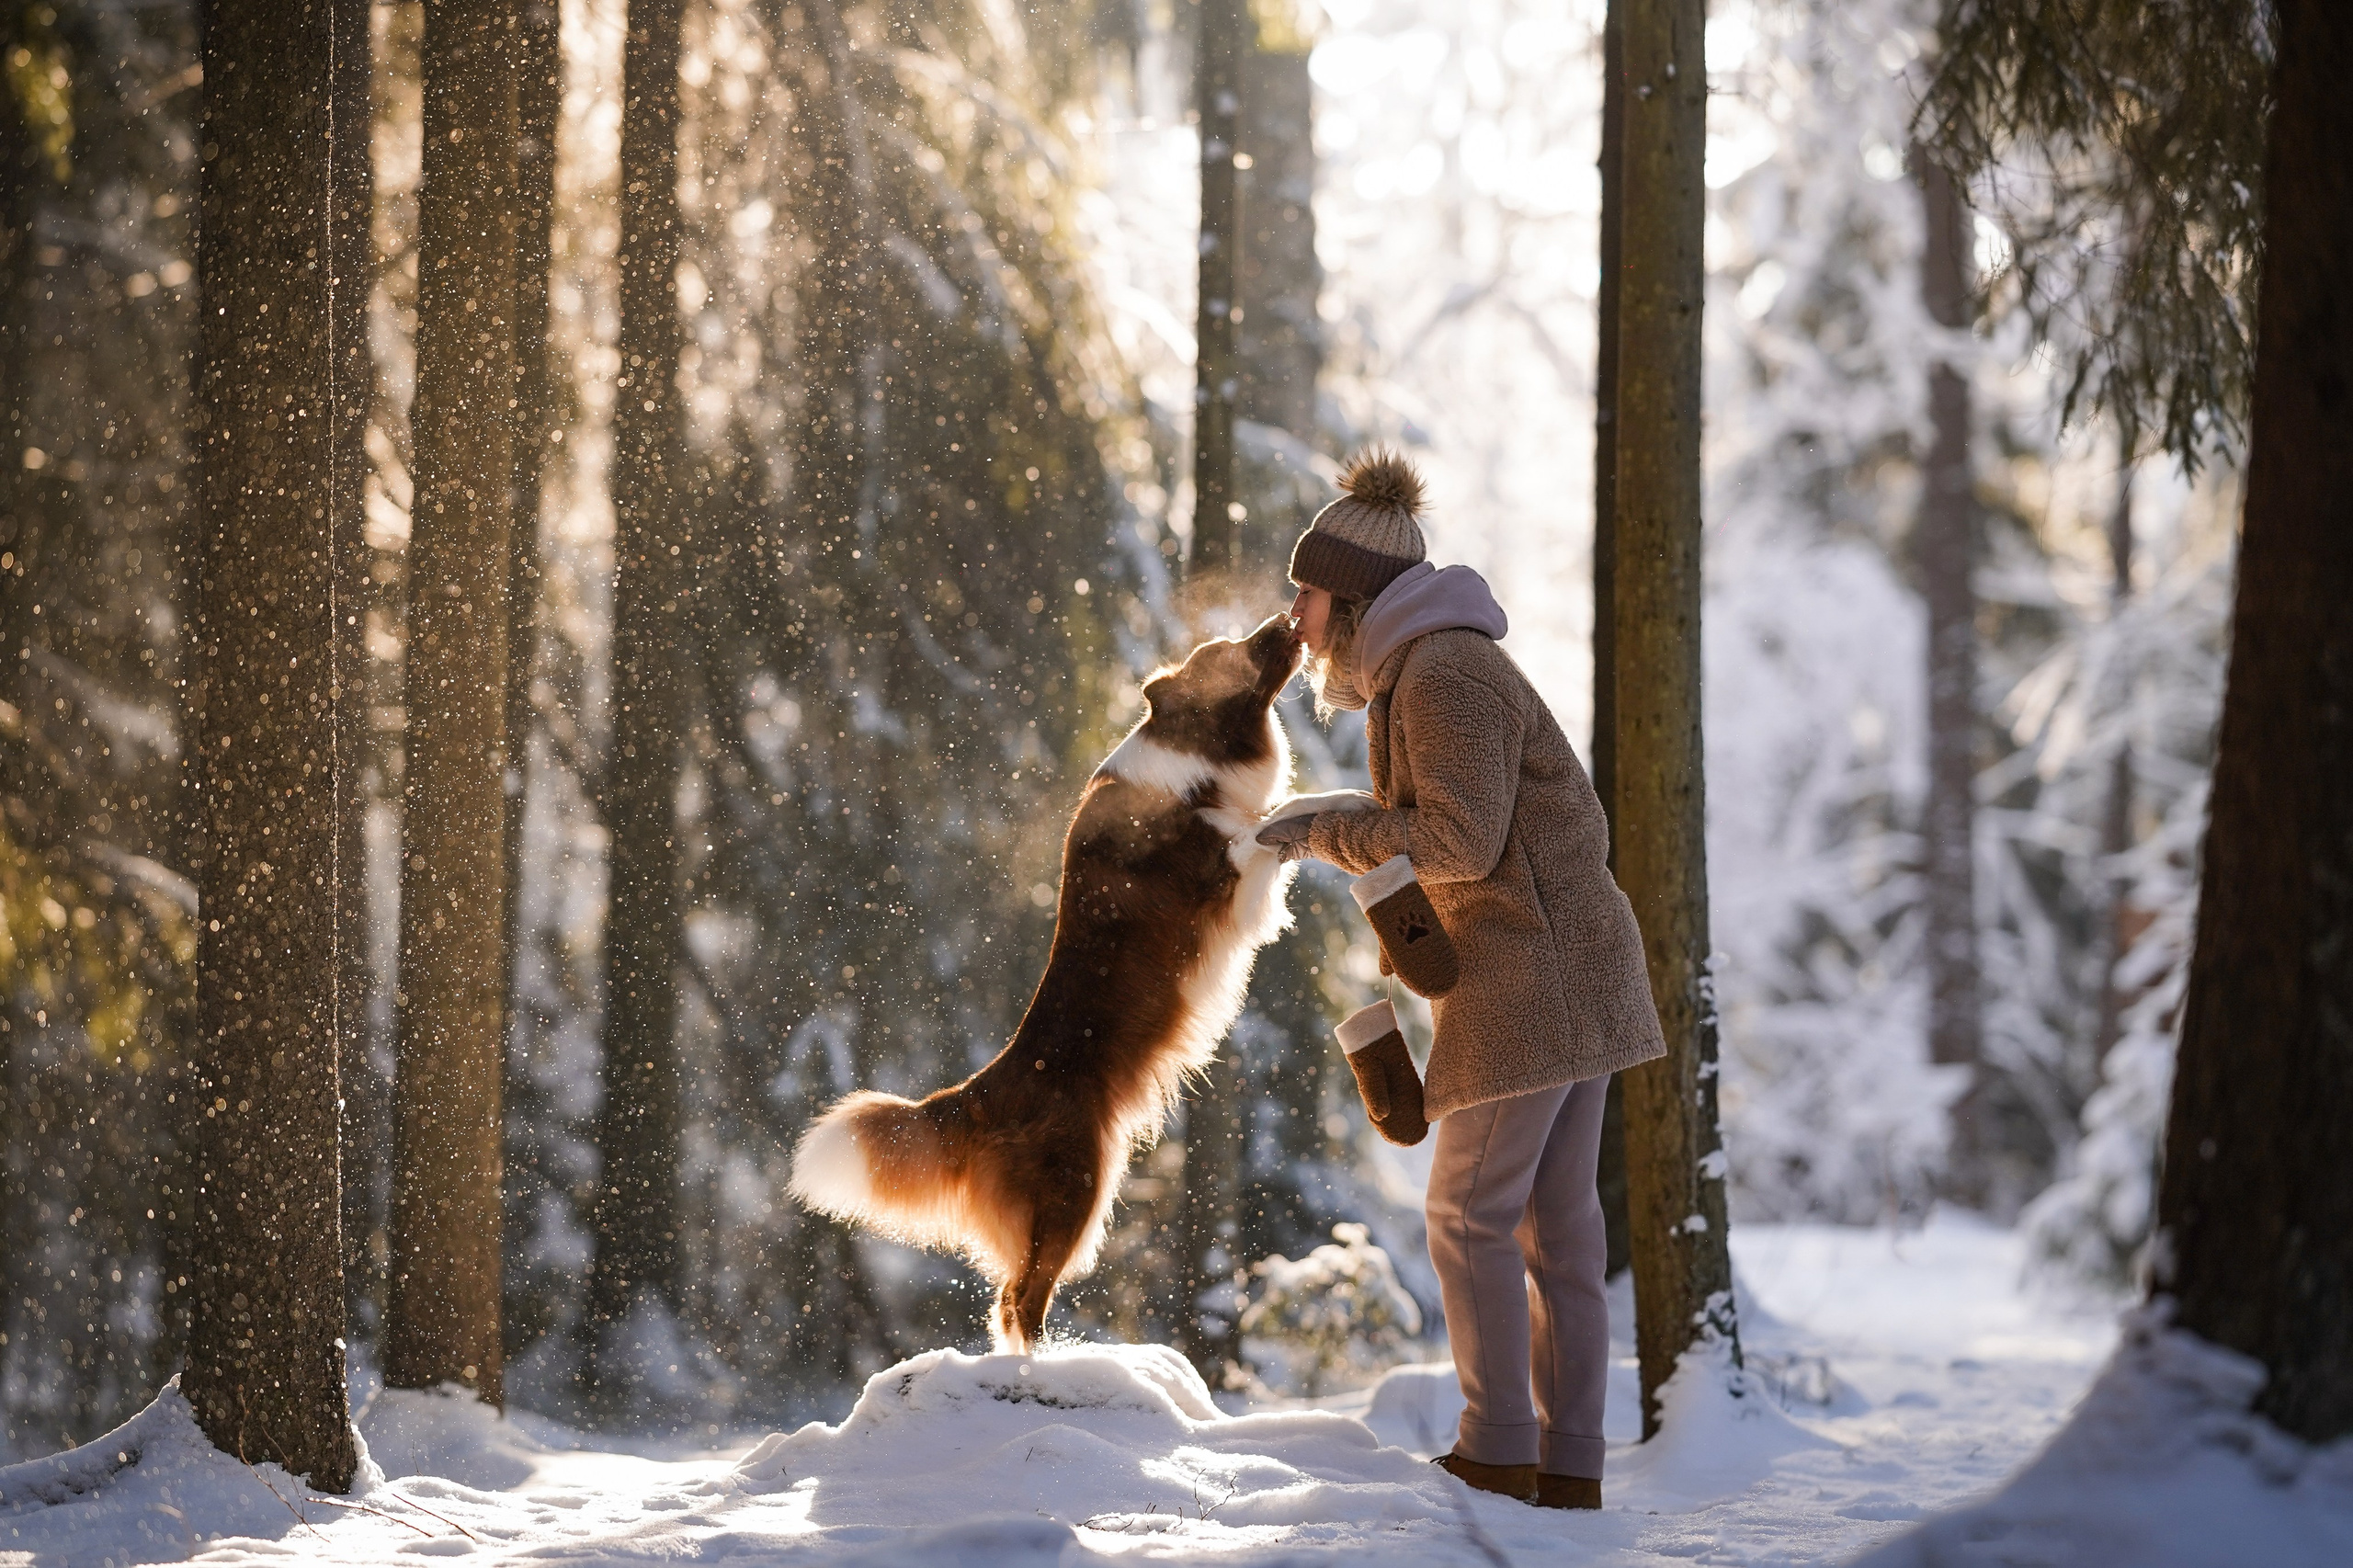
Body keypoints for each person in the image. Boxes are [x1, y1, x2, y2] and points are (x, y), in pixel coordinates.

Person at [1256, 449, 1665, 1512]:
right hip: (1576, 969)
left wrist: (1322, 829)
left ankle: (1495, 1448)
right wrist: (1334, 816)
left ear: (1349, 598)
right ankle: (1567, 1459)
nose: (1294, 617)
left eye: (1304, 592)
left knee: (1469, 1214)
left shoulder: (1438, 671)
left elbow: (1457, 840)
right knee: (1554, 1224)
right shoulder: (1434, 663)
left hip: (1528, 979)